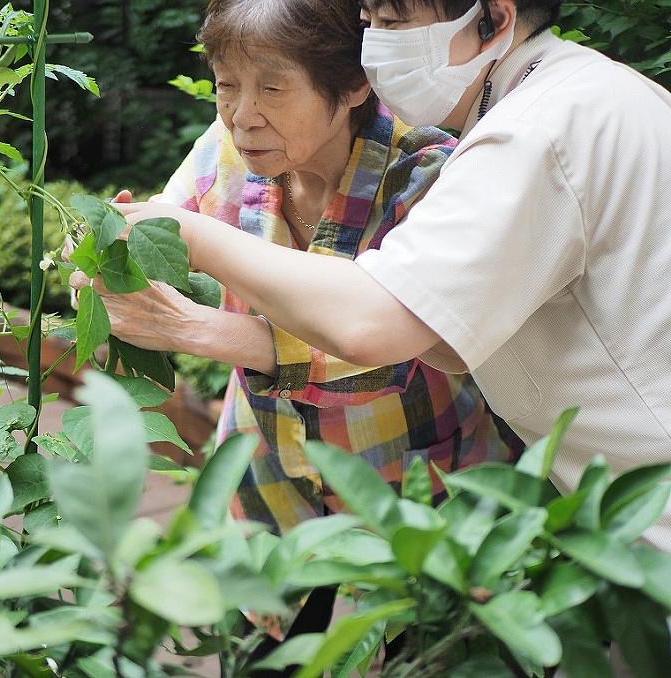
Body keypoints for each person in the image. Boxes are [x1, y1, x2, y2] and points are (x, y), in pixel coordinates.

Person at [113, 0, 671, 549]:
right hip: (274, 477)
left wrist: (192, 276)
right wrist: (116, 255)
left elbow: (381, 326)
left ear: (494, 20)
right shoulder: (595, 94)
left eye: (394, 22)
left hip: (459, 487)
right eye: (369, 21)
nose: (374, 46)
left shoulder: (517, 138)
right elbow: (454, 339)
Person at [70, 0, 523, 645]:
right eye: (228, 85)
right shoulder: (224, 151)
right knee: (259, 645)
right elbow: (159, 241)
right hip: (267, 476)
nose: (241, 114)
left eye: (273, 88)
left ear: (354, 85)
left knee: (423, 645)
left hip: (419, 483)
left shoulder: (429, 174)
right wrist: (108, 265)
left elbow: (414, 341)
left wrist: (204, 331)